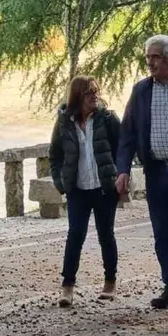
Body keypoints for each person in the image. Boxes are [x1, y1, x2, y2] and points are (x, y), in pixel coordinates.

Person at [116, 35, 168, 309]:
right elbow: (127, 131)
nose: (149, 62)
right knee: (162, 230)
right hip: (154, 170)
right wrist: (123, 169)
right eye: (148, 57)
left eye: (154, 57)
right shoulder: (141, 90)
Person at [49, 75, 122, 308]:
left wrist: (119, 176)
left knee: (105, 234)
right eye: (89, 92)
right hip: (77, 189)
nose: (94, 95)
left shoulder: (108, 119)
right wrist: (61, 183)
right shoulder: (64, 122)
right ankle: (67, 286)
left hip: (103, 188)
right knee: (75, 235)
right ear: (77, 96)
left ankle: (110, 281)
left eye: (96, 91)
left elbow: (122, 149)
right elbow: (55, 155)